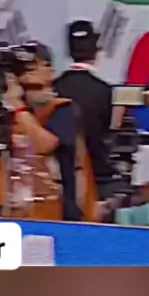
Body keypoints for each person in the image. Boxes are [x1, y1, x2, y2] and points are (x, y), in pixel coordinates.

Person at [7, 43, 83, 221]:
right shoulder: (5, 109)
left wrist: (17, 106)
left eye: (32, 67)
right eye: (22, 69)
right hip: (13, 204)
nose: (26, 74)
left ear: (50, 71)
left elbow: (44, 144)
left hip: (56, 210)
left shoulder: (62, 108)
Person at [54, 21, 114, 202]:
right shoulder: (103, 90)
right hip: (96, 174)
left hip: (59, 172)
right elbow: (105, 130)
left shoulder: (55, 87)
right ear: (95, 50)